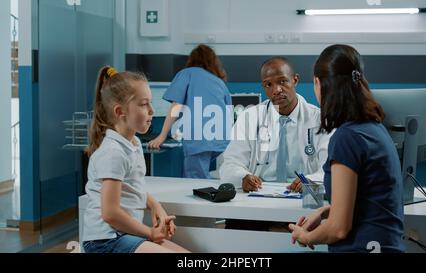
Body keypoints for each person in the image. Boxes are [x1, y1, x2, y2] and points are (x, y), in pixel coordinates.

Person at [289, 44, 405, 253]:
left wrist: (304, 235)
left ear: (319, 83)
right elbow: (368, 200)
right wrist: (326, 211)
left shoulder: (347, 138)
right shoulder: (374, 128)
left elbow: (338, 229)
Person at [82, 66, 189, 253]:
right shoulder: (113, 152)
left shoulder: (133, 143)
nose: (152, 110)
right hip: (105, 241)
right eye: (144, 104)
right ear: (119, 111)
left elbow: (130, 187)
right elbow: (110, 213)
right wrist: (150, 233)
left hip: (122, 235)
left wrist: (155, 205)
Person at [220, 57, 331, 230]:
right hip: (258, 201)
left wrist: (311, 180)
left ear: (295, 80)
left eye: (282, 81)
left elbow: (330, 169)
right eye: (268, 85)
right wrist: (243, 177)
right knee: (238, 228)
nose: (276, 90)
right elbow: (230, 164)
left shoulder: (319, 119)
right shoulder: (249, 118)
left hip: (303, 201)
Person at [148, 44, 232, 179]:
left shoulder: (187, 74)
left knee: (195, 182)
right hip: (220, 140)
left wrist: (162, 136)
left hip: (199, 138)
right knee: (201, 177)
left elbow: (176, 106)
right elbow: (228, 113)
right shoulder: (219, 83)